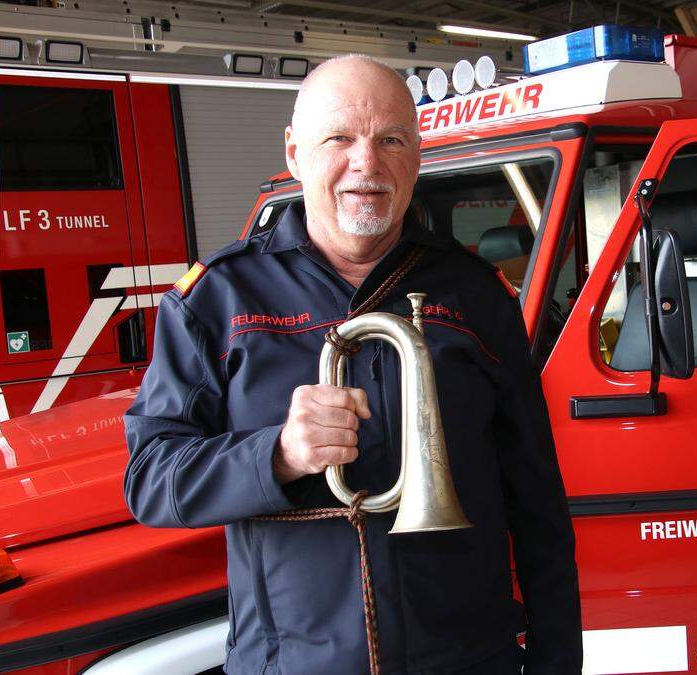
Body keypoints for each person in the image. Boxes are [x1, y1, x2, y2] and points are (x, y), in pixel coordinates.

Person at [123, 55, 582, 674]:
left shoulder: (477, 295)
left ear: (417, 157)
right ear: (294, 152)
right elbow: (151, 481)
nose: (366, 163)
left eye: (391, 139)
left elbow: (538, 508)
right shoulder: (215, 299)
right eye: (339, 138)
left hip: (466, 660)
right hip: (291, 663)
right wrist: (278, 454)